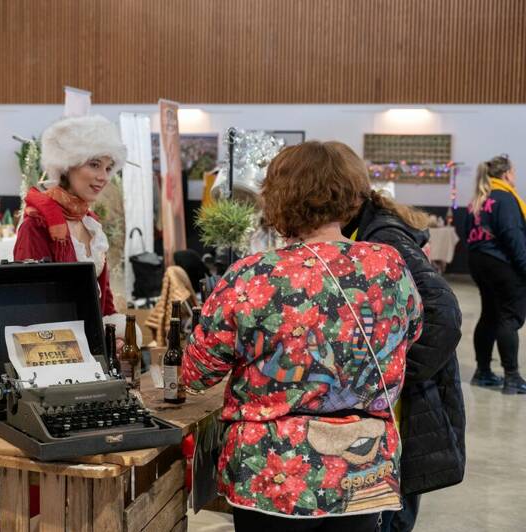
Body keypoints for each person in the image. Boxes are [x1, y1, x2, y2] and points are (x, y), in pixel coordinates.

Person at [183, 141, 422, 531]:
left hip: (274, 473)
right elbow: (411, 334)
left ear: (277, 198)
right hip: (363, 466)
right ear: (353, 195)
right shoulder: (388, 265)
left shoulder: (255, 274)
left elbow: (197, 373)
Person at [340, 144, 464, 531]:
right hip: (396, 409)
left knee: (389, 518)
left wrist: (391, 378)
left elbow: (444, 316)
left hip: (404, 412)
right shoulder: (369, 229)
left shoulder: (384, 239)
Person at [13, 115, 127, 317]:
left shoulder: (91, 222)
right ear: (66, 165)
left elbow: (104, 297)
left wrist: (115, 332)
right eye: (94, 164)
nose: (103, 177)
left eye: (108, 168)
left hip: (92, 338)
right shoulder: (37, 224)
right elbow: (32, 305)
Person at [464, 154, 526, 394]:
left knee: (490, 315)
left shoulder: (478, 199)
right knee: (509, 318)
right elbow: (513, 237)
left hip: (479, 261)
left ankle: (483, 372)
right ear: (507, 174)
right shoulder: (506, 198)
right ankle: (512, 377)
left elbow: (466, 232)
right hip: (501, 263)